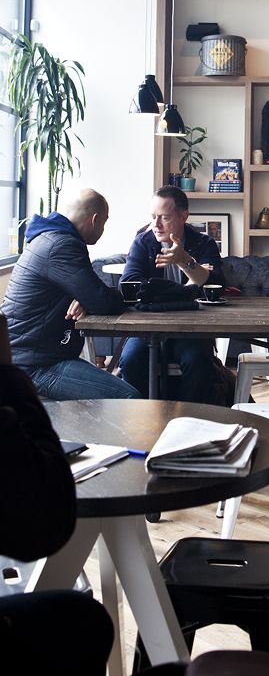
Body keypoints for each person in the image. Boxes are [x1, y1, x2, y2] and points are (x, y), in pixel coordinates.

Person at [0, 313, 114, 674]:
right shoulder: (62, 251)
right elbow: (43, 526)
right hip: (39, 363)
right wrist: (6, 377)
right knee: (82, 623)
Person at [1, 189, 140, 399]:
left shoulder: (46, 237)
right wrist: (97, 297)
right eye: (103, 223)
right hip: (34, 365)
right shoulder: (63, 245)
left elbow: (88, 293)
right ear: (95, 219)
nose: (102, 229)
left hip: (28, 355)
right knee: (131, 400)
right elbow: (102, 301)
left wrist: (84, 298)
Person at [119, 185, 230, 402]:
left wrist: (184, 260)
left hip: (191, 326)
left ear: (183, 216)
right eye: (153, 217)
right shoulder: (143, 242)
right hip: (147, 325)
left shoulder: (202, 242)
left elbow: (216, 285)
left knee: (198, 361)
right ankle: (145, 420)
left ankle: (187, 422)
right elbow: (131, 284)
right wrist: (188, 285)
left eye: (164, 217)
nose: (156, 224)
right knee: (130, 360)